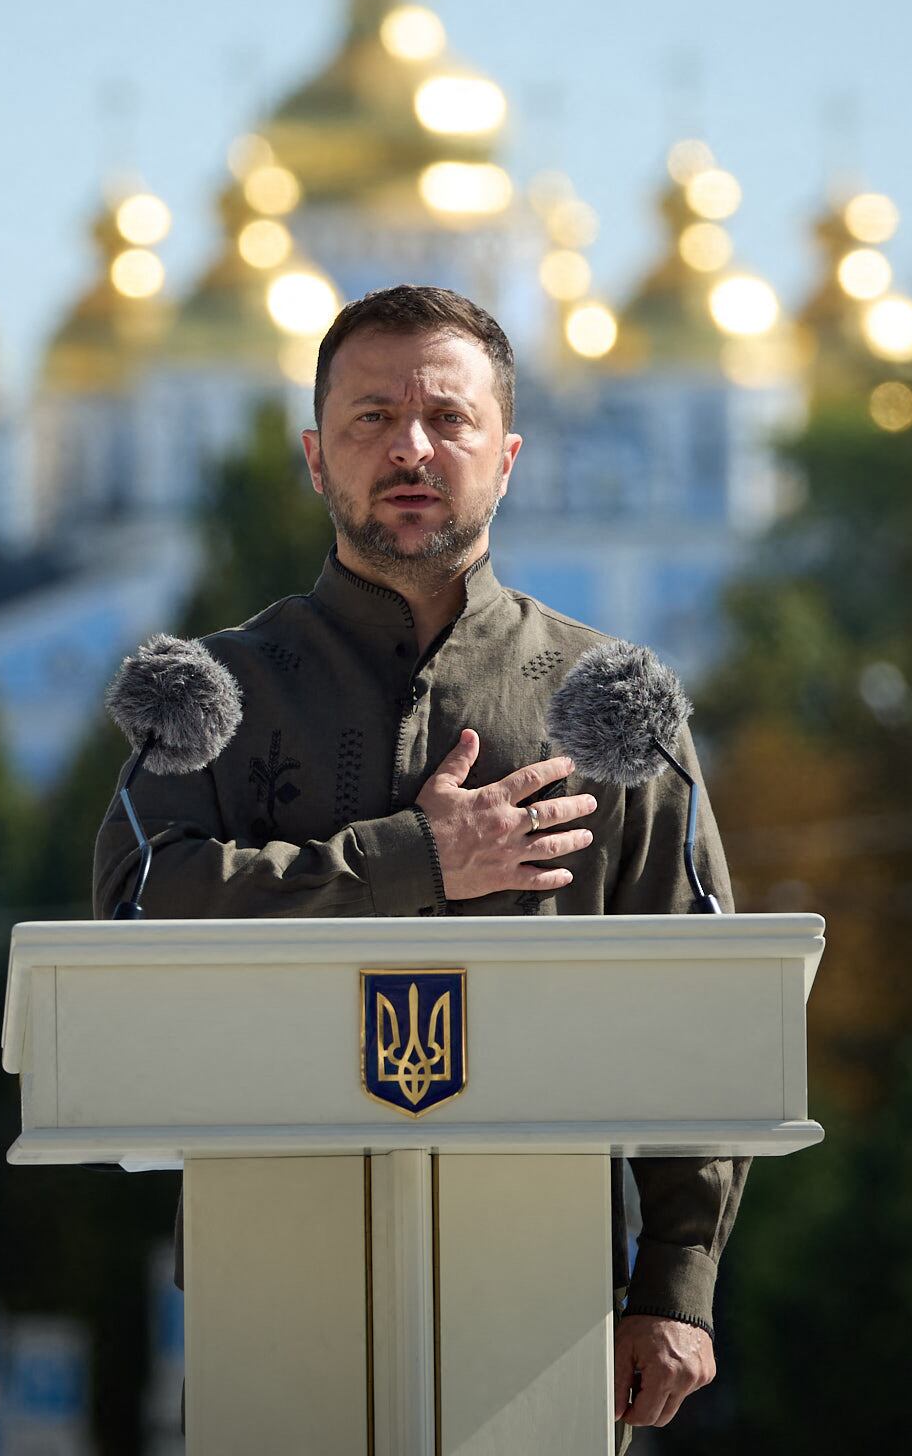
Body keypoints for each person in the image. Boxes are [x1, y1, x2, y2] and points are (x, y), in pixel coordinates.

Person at [89, 282, 742, 1434]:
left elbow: (703, 1003)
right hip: (271, 1273)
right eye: (371, 418)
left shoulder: (613, 703)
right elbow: (140, 918)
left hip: (547, 1293)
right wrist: (414, 857)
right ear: (314, 455)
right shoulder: (213, 694)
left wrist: (676, 1279)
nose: (411, 447)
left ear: (509, 456)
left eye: (448, 418)